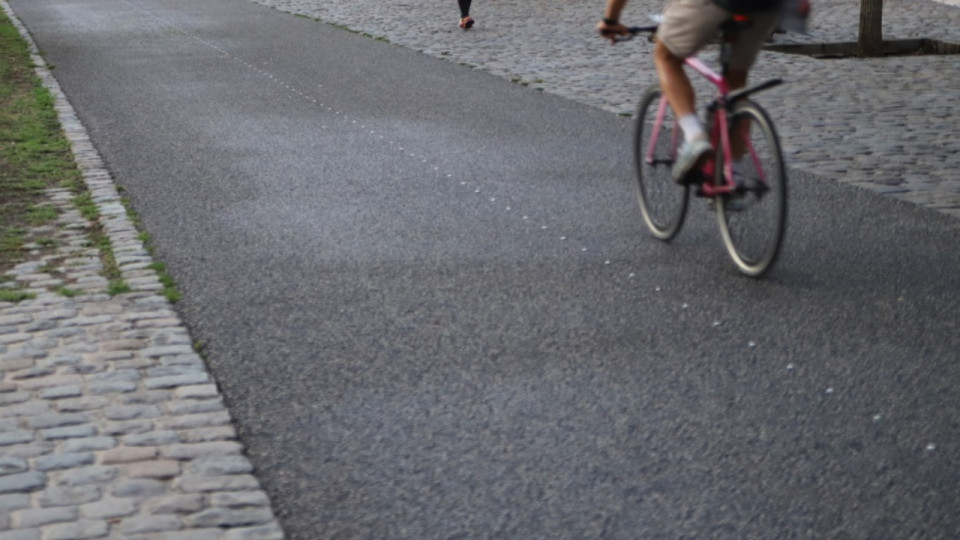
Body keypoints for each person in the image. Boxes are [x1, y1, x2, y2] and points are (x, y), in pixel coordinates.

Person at [598, 0, 782, 183]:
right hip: (764, 9)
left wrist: (610, 20)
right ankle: (732, 173)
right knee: (736, 83)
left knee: (666, 57)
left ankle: (695, 137)